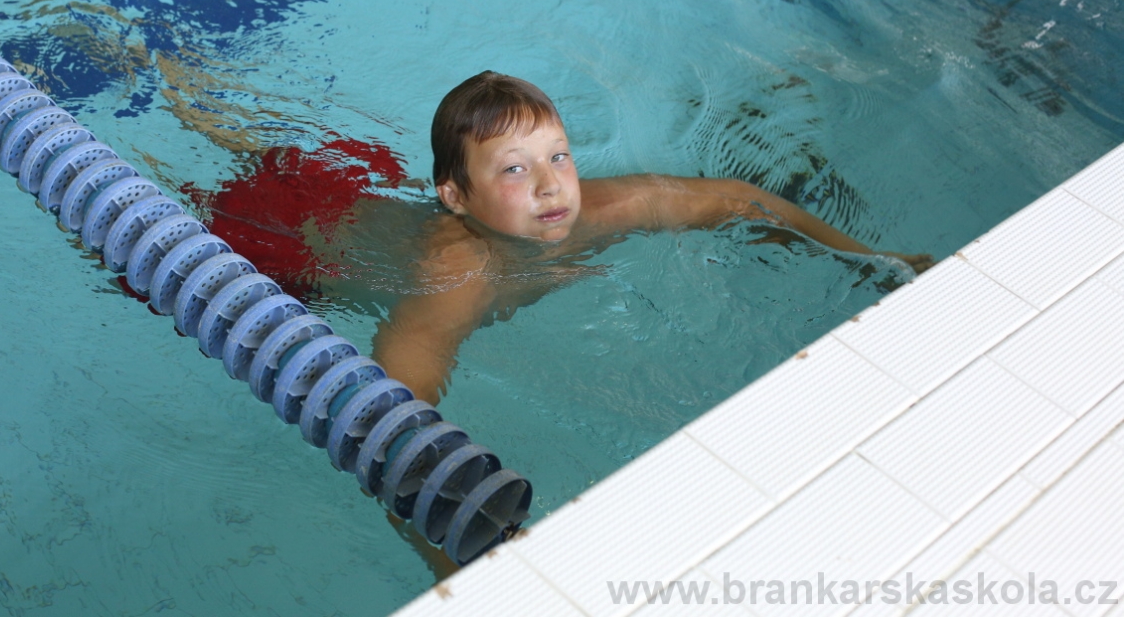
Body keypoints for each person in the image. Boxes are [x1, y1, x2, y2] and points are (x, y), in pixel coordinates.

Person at [370, 71, 933, 404]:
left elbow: (738, 199)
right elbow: (397, 407)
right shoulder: (457, 274)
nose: (551, 186)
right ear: (456, 197)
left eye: (559, 157)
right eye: (514, 170)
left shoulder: (594, 210)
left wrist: (869, 260)